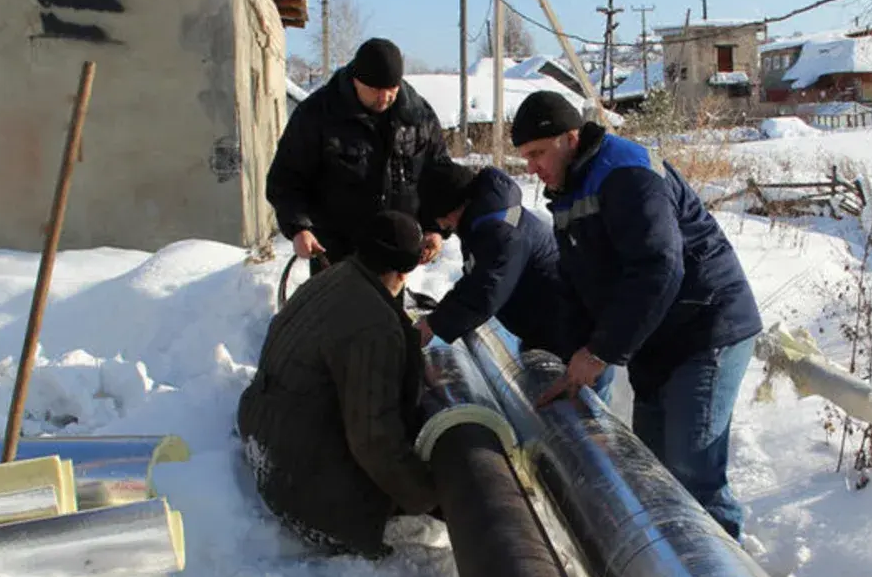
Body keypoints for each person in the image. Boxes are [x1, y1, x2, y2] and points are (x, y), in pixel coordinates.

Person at [510, 91, 763, 540]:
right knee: (652, 471)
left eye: (537, 153)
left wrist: (601, 351)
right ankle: (674, 574)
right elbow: (578, 289)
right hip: (657, 336)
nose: (531, 167)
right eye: (525, 157)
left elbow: (659, 267)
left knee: (691, 471)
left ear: (570, 138)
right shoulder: (570, 190)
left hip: (705, 327)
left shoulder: (624, 173)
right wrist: (562, 355)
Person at [236, 210, 437, 560]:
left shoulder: (332, 279)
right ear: (403, 271)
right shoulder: (374, 325)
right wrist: (428, 496)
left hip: (262, 436)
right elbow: (373, 438)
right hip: (300, 489)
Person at [412, 160, 614, 402]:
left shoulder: (499, 229)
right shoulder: (483, 218)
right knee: (541, 412)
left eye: (440, 221)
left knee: (578, 424)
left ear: (450, 210)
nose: (443, 227)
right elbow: (476, 279)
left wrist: (433, 325)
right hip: (547, 333)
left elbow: (485, 290)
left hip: (575, 342)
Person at [266, 37, 450, 275]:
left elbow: (439, 174)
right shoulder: (318, 114)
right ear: (356, 80)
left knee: (384, 312)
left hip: (394, 252)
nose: (384, 98)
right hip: (335, 249)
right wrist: (299, 227)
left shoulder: (417, 116)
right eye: (375, 91)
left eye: (391, 90)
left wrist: (435, 226)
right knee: (338, 311)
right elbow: (286, 179)